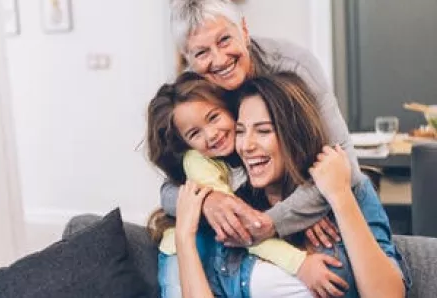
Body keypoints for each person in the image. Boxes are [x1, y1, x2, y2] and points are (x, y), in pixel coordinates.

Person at [173, 74, 406, 298]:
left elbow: (388, 295)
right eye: (241, 132)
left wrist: (339, 195)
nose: (246, 146)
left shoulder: (351, 192)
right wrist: (184, 238)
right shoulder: (238, 210)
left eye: (263, 131)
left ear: (295, 135)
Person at [161, 0, 363, 248]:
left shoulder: (294, 66)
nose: (219, 59)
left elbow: (346, 167)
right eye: (201, 53)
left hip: (316, 202)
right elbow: (168, 191)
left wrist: (280, 218)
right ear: (188, 58)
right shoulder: (194, 94)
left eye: (224, 40)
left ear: (244, 30)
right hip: (253, 207)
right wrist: (208, 201)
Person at [147, 72, 349, 298]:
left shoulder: (248, 152)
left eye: (214, 117)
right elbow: (241, 227)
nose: (212, 134)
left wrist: (305, 214)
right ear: (184, 143)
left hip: (223, 246)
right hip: (182, 247)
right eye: (195, 133)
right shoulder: (198, 162)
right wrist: (299, 264)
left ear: (229, 109)